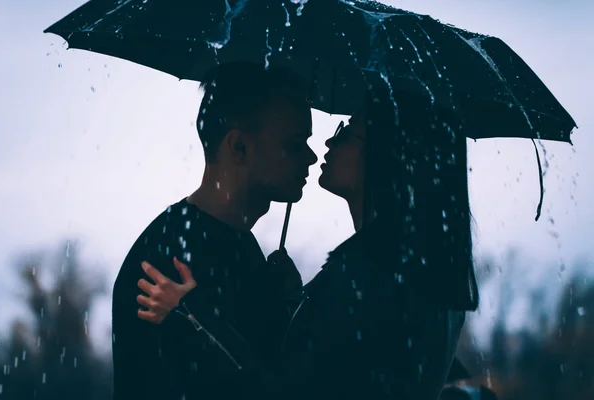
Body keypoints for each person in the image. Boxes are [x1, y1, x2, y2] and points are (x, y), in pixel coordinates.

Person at [138, 84, 480, 399]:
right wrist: (293, 301)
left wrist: (193, 315)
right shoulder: (421, 278)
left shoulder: (367, 277)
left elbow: (288, 392)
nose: (327, 145)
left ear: (390, 151)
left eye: (348, 130)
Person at [111, 62, 318, 400]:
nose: (311, 157)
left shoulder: (241, 248)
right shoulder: (166, 261)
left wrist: (286, 307)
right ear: (238, 147)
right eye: (295, 144)